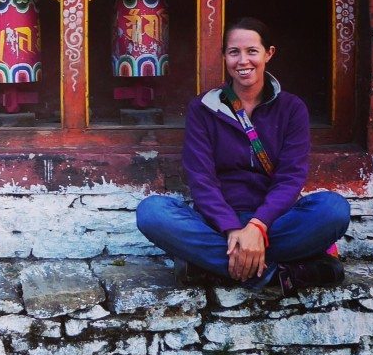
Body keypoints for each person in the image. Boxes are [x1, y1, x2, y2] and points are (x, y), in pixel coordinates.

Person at [136, 17, 350, 294]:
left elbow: (290, 177)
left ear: (268, 53)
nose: (243, 60)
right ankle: (275, 275)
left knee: (333, 210)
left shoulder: (292, 108)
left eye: (252, 51)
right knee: (152, 213)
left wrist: (257, 227)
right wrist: (233, 229)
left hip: (275, 223)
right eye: (234, 52)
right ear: (224, 56)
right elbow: (201, 179)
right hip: (217, 225)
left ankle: (209, 266)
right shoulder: (203, 108)